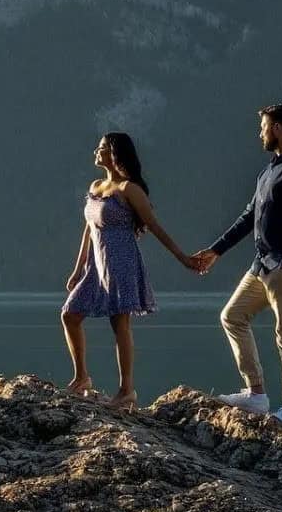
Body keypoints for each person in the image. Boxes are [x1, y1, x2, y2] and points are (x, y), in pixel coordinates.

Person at [189, 104, 282, 432]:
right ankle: (256, 394)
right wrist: (216, 250)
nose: (259, 133)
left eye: (263, 127)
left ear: (278, 127)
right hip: (262, 265)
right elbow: (250, 217)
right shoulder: (268, 172)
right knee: (232, 316)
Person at [62, 131, 198, 410]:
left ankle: (126, 390)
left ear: (115, 154)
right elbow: (89, 230)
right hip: (95, 264)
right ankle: (81, 378)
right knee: (70, 314)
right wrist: (78, 269)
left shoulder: (128, 190)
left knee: (119, 324)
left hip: (121, 262)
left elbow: (155, 226)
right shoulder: (96, 186)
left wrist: (182, 257)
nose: (96, 152)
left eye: (102, 148)